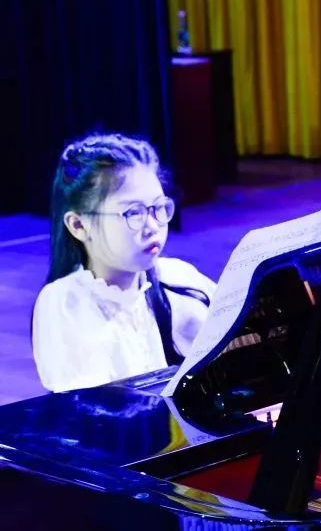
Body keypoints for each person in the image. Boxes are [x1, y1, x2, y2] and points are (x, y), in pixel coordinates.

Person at [32, 132, 216, 393]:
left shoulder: (179, 278)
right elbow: (95, 407)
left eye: (158, 208)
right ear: (79, 225)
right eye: (133, 213)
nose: (152, 226)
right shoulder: (64, 303)